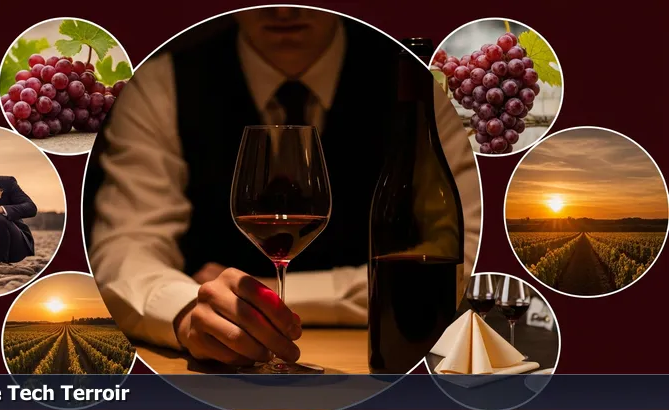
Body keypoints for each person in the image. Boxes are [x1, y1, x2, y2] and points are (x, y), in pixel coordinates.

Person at [85, 7, 481, 367]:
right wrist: (187, 309)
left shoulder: (418, 82)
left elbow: (464, 258)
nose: (283, 10)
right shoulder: (162, 83)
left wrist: (257, 296)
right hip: (222, 373)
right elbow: (125, 248)